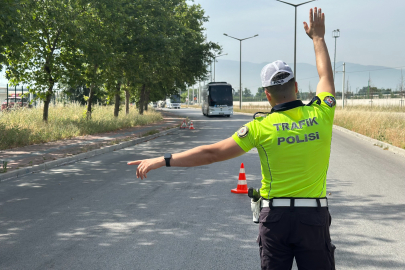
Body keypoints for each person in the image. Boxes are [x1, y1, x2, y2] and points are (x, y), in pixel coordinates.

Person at [128, 7, 336, 270]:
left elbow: (211, 153)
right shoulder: (322, 112)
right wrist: (318, 38)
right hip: (314, 218)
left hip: (277, 219)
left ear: (267, 95)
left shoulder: (260, 127)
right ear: (295, 87)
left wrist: (163, 159)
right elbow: (325, 76)